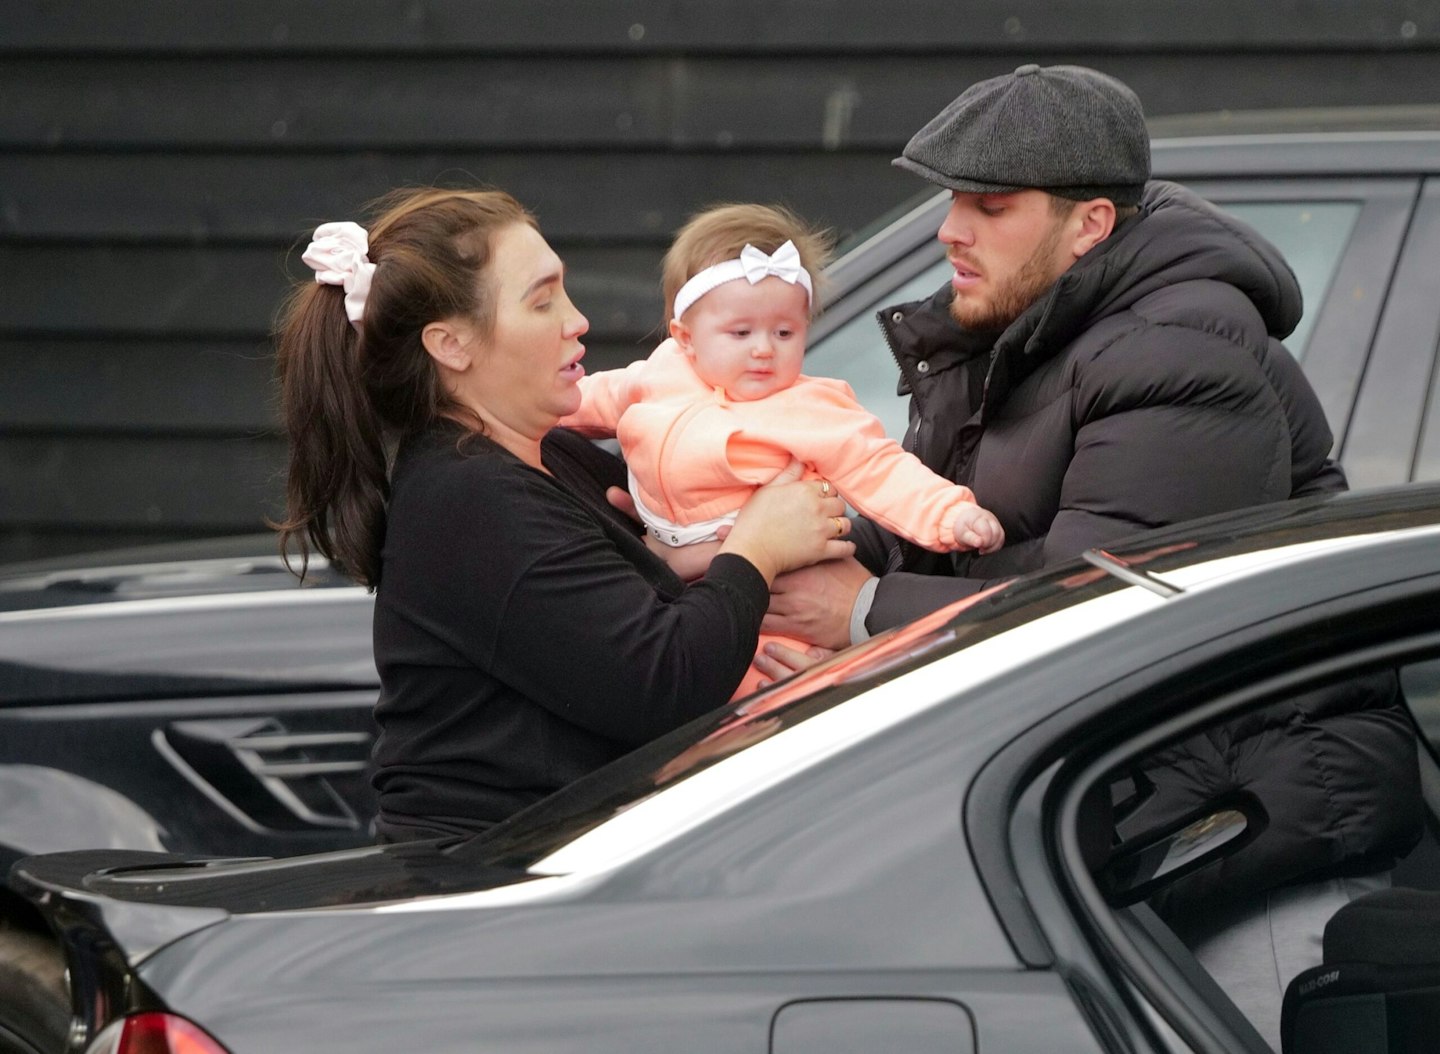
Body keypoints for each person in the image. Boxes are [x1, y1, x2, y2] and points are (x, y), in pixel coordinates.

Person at [755, 64, 1422, 1047]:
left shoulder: (1175, 350)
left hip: (1245, 866)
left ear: (1091, 226)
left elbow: (1101, 612)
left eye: (989, 205)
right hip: (1141, 847)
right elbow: (942, 518)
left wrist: (858, 610)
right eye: (950, 201)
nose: (951, 230)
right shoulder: (1020, 338)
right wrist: (761, 540)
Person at [272, 187, 854, 844]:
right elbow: (665, 684)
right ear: (450, 344)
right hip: (497, 888)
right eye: (542, 300)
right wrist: (755, 548)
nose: (576, 321)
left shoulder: (553, 457)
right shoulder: (468, 498)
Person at [560, 203, 1003, 697]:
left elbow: (878, 467)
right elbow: (588, 401)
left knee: (757, 687)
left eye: (784, 332)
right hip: (677, 578)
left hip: (773, 593)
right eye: (741, 333)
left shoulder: (810, 408)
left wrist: (950, 514)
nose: (764, 349)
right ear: (686, 338)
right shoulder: (658, 374)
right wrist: (539, 408)